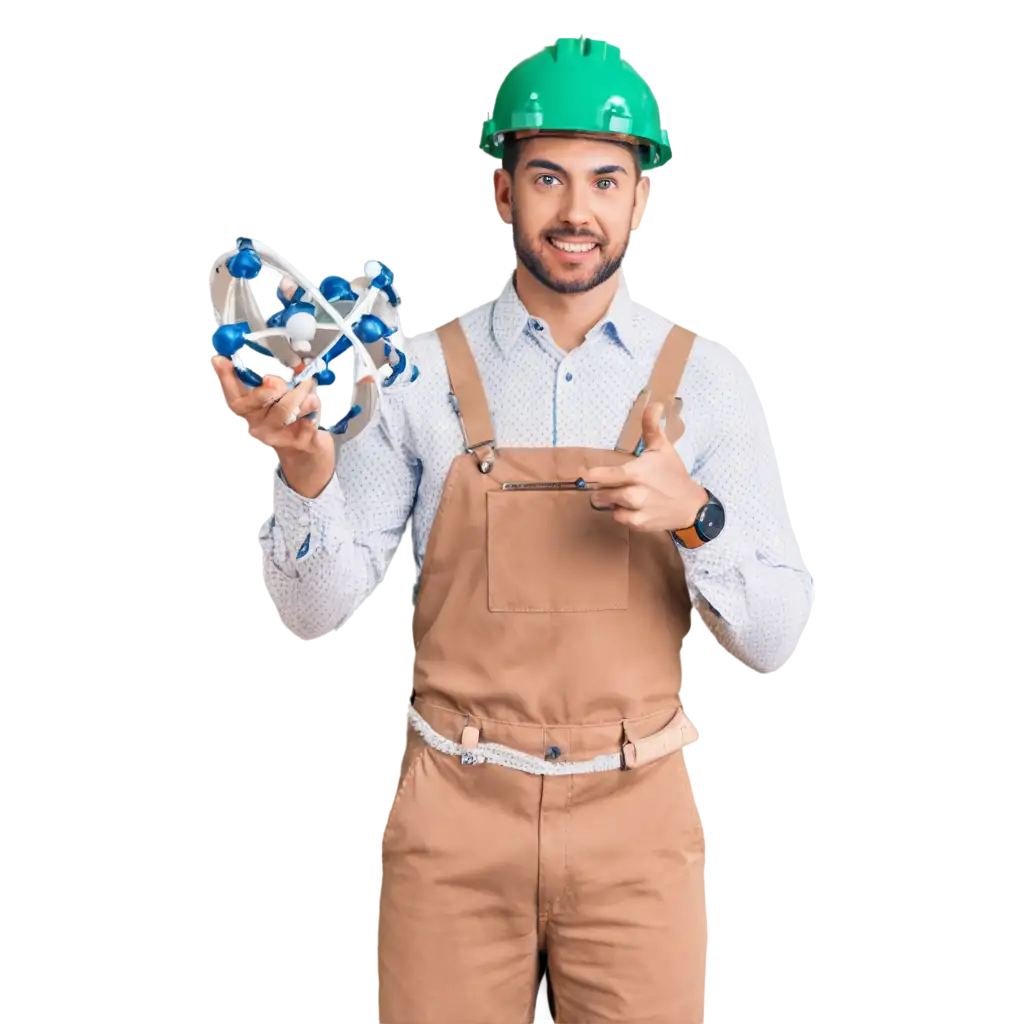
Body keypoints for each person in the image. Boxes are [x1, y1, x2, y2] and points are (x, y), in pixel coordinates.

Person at [210, 30, 815, 1024]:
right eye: (546, 177)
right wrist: (304, 466)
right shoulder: (408, 378)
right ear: (501, 192)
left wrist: (696, 519)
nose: (576, 210)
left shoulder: (705, 383)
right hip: (453, 816)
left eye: (604, 180)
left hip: (638, 823)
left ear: (639, 197)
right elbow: (308, 615)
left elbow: (778, 637)